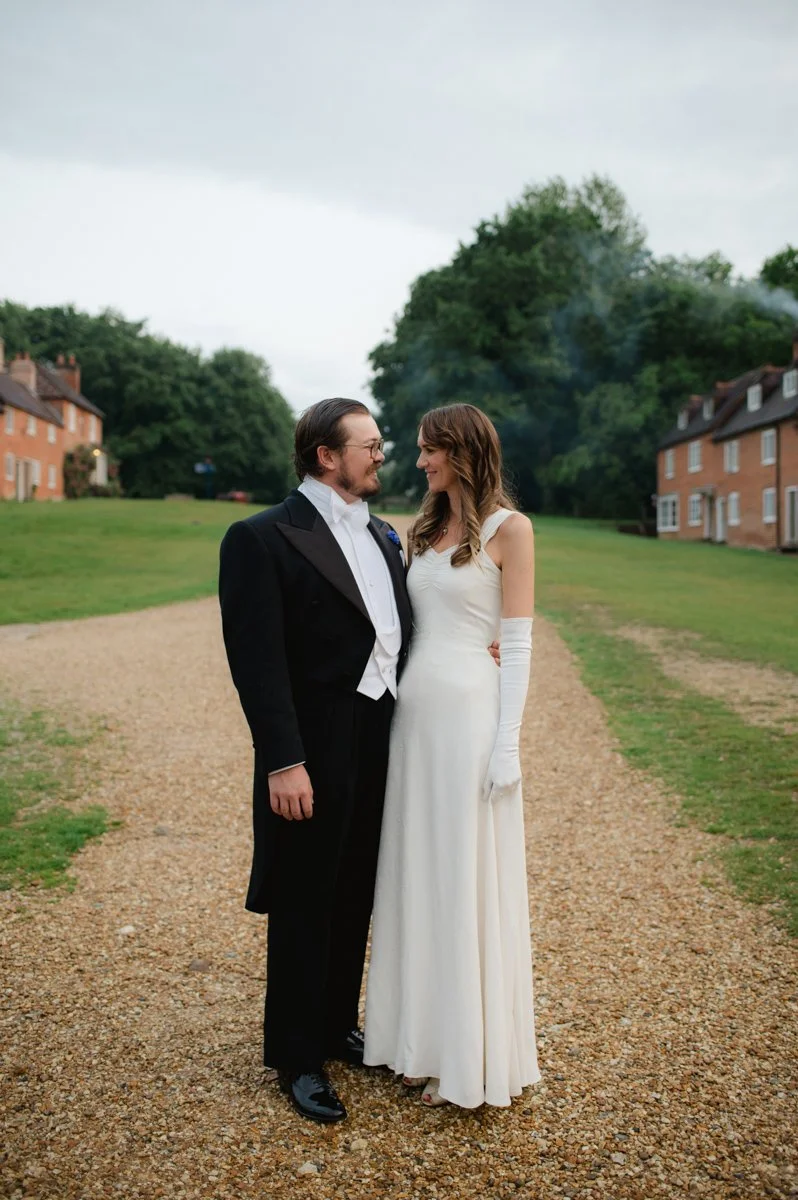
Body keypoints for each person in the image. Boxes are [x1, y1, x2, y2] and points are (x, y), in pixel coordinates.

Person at [218, 397, 412, 1124]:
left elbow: (400, 631)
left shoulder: (385, 536)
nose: (381, 453)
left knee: (356, 886)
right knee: (305, 895)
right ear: (326, 456)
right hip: (312, 745)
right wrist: (282, 762)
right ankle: (297, 1057)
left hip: (380, 737)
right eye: (369, 443)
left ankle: (335, 1025)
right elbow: (257, 665)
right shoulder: (261, 537)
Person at [364, 402, 541, 1109]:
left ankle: (463, 1056)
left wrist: (508, 743)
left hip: (471, 721)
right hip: (414, 722)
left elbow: (519, 640)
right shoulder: (425, 530)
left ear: (460, 451)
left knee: (462, 878)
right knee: (416, 875)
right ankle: (416, 1040)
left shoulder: (511, 531)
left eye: (427, 451)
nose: (417, 462)